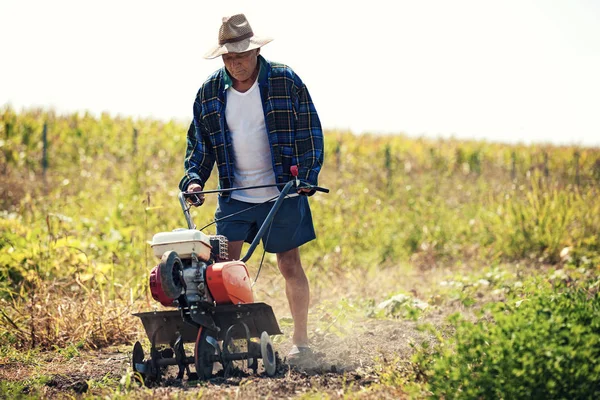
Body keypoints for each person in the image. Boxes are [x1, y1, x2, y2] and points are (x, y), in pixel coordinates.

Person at [179, 13, 324, 366]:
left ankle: (301, 342)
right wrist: (194, 179)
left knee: (289, 264)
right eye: (228, 58)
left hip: (283, 192)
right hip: (235, 197)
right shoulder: (210, 92)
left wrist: (306, 175)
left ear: (255, 52)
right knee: (224, 268)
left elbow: (310, 131)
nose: (235, 64)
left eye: (240, 56)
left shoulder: (285, 82)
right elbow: (200, 146)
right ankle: (231, 340)